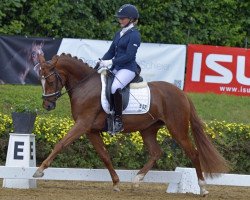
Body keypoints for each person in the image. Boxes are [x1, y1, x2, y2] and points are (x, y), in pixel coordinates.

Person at [98, 4, 141, 133]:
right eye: (119, 18)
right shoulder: (119, 33)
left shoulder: (135, 35)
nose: (120, 20)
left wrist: (111, 62)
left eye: (123, 18)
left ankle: (118, 120)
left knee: (115, 87)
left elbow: (129, 56)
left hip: (128, 68)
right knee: (100, 83)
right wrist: (101, 61)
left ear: (132, 19)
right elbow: (111, 51)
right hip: (116, 67)